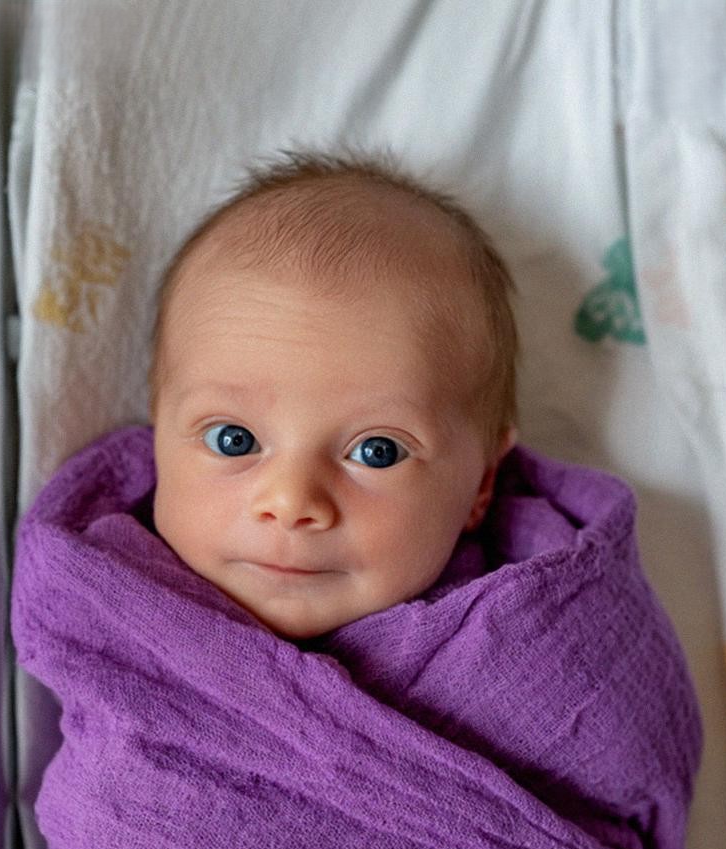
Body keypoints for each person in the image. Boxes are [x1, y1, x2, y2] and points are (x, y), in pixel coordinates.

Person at [144, 147, 520, 642]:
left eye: (377, 451)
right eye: (233, 439)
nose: (291, 501)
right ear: (156, 434)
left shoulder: (526, 634)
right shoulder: (92, 589)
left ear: (482, 482)